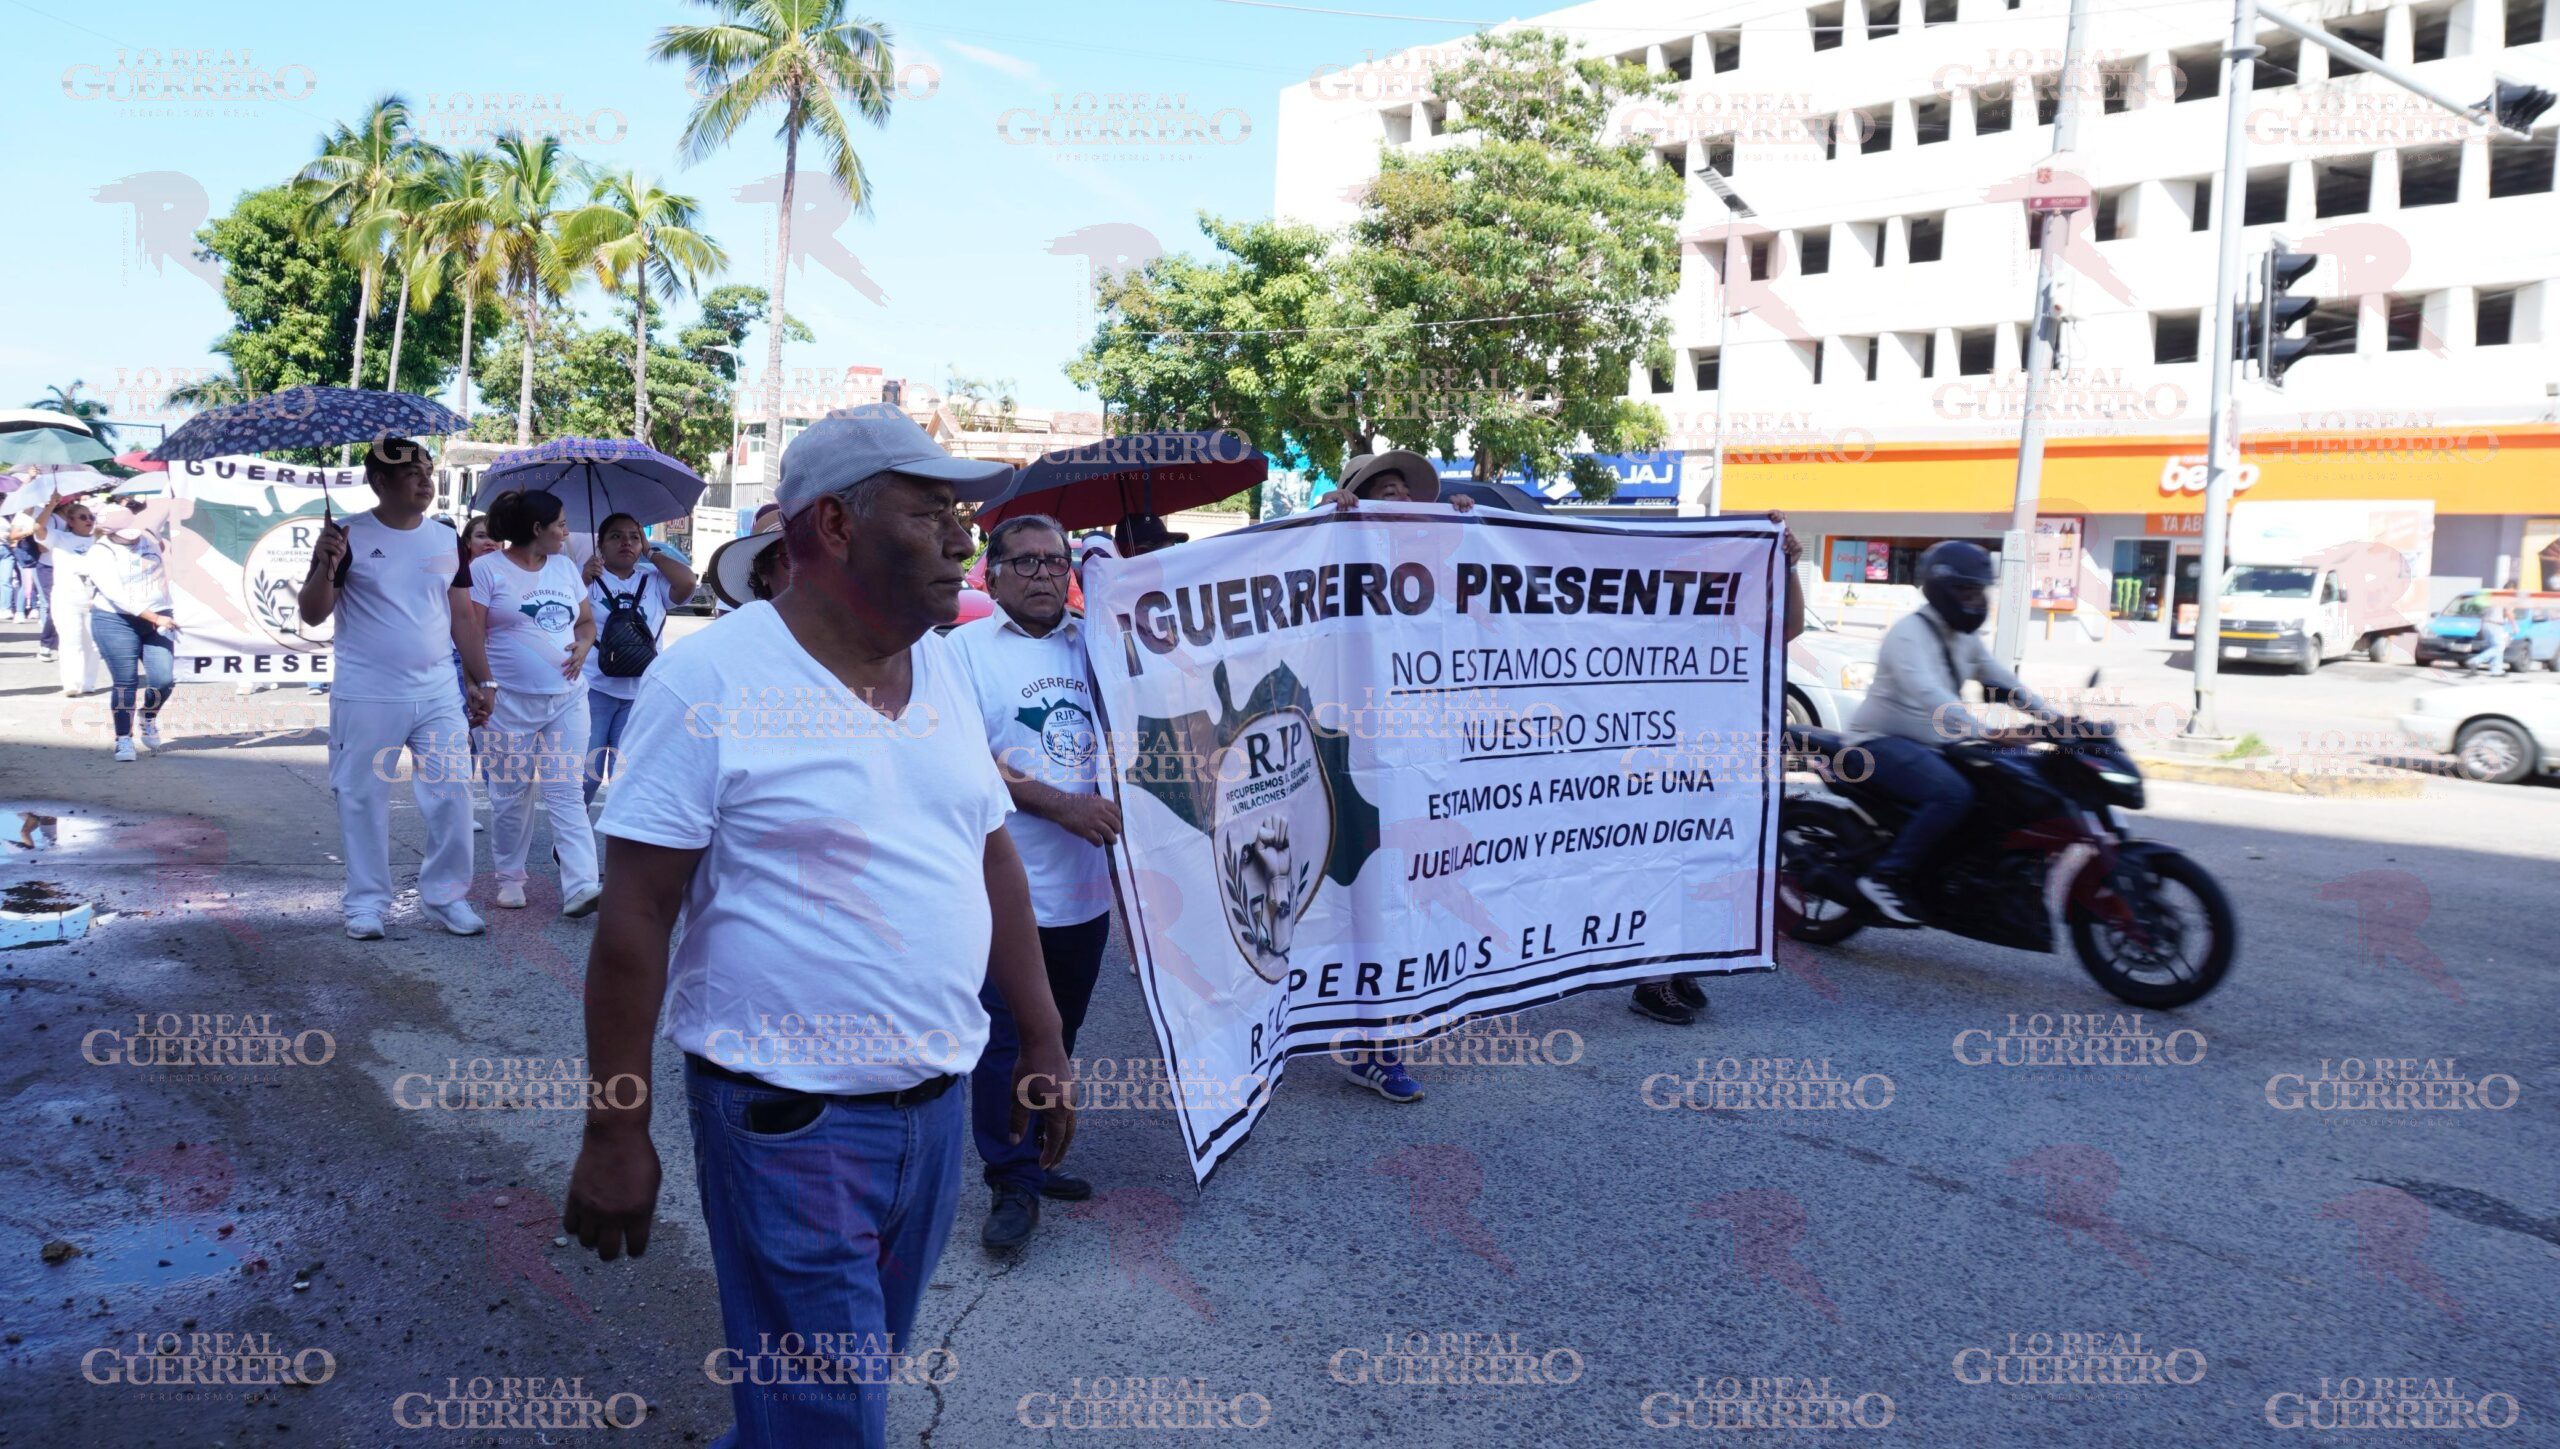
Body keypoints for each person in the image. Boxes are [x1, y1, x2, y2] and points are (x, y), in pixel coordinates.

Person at [563, 407, 1076, 1449]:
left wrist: (1044, 1035)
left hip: (931, 1119)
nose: (963, 537)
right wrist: (614, 1126)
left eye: (962, 514)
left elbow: (989, 853)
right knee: (827, 1416)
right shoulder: (710, 682)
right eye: (932, 511)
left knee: (838, 1389)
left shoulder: (938, 667)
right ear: (837, 526)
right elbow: (635, 917)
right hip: (788, 1123)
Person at [945, 513, 1117, 1256]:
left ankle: (1041, 1153)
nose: (1047, 573)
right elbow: (960, 763)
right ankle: (1009, 1176)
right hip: (1005, 890)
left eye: (1058, 560)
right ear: (993, 572)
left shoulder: (1101, 643)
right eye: (1028, 562)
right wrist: (1062, 804)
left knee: (1060, 1033)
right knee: (1006, 1037)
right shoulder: (960, 651)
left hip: (1089, 892)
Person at [298, 440, 486, 941]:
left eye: (428, 470)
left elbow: (463, 616)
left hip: (439, 693)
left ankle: (447, 897)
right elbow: (313, 613)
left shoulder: (447, 538)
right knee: (362, 797)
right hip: (367, 694)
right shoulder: (347, 535)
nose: (425, 481)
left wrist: (481, 679)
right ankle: (365, 904)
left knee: (452, 795)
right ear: (379, 482)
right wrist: (324, 563)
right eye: (412, 474)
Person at [1631, 510, 1808, 1027]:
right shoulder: (1652, 627)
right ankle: (1650, 980)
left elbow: (1791, 624)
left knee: (1703, 860)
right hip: (1658, 764)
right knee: (1663, 862)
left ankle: (1681, 962)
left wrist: (1788, 562)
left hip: (1720, 765)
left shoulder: (1739, 625)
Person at [1843, 540, 2053, 925]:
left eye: (1979, 591)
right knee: (1952, 793)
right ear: (1943, 590)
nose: (1975, 600)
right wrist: (1987, 731)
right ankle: (1885, 875)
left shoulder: (1963, 637)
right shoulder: (1908, 634)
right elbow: (1930, 696)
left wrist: (2057, 720)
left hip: (1934, 745)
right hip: (1875, 743)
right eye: (1966, 591)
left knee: (2010, 783)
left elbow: (2001, 679)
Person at [456, 489, 602, 918]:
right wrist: (478, 685)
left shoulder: (564, 568)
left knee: (566, 791)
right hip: (507, 704)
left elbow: (587, 622)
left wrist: (584, 645)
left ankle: (581, 886)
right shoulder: (485, 570)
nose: (565, 531)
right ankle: (510, 878)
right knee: (509, 795)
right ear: (536, 529)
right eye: (559, 523)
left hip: (567, 699)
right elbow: (470, 632)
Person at [579, 513, 697, 805]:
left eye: (634, 536)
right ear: (601, 544)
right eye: (616, 536)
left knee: (626, 777)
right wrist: (581, 579)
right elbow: (567, 617)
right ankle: (570, 840)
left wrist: (651, 553)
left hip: (640, 694)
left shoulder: (653, 580)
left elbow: (687, 583)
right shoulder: (589, 579)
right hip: (593, 689)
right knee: (586, 776)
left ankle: (619, 844)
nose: (626, 543)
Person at [54, 503, 178, 761]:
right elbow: (119, 597)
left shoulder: (148, 537)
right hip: (116, 621)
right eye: (124, 533)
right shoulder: (100, 552)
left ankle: (148, 716)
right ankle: (123, 739)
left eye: (133, 530)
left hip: (159, 617)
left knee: (164, 679)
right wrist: (155, 617)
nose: (131, 537)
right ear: (107, 531)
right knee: (126, 682)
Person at [2466, 604, 2512, 677]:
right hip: (2495, 625)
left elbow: (2483, 615)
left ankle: (2496, 670)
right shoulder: (2503, 599)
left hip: (2486, 624)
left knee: (2494, 647)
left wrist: (2481, 629)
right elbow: (2508, 611)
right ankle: (2475, 660)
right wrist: (2514, 625)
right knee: (2499, 647)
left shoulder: (2490, 600)